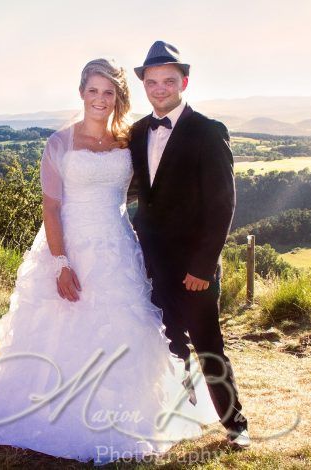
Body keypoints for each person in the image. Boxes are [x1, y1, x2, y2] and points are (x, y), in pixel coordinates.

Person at [0, 58, 219, 466]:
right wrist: (61, 263)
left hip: (118, 248)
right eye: (93, 90)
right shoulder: (59, 143)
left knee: (126, 325)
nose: (100, 99)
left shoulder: (126, 142)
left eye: (108, 92)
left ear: (118, 97)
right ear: (81, 92)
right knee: (66, 325)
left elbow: (156, 183)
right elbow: (51, 207)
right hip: (72, 248)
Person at [128, 41, 250, 448]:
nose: (159, 88)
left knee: (208, 344)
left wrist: (202, 266)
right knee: (167, 343)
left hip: (194, 268)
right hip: (148, 264)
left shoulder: (208, 131)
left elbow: (222, 205)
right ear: (144, 85)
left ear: (184, 81)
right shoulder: (138, 132)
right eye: (152, 81)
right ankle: (179, 414)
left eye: (168, 80)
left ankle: (236, 424)